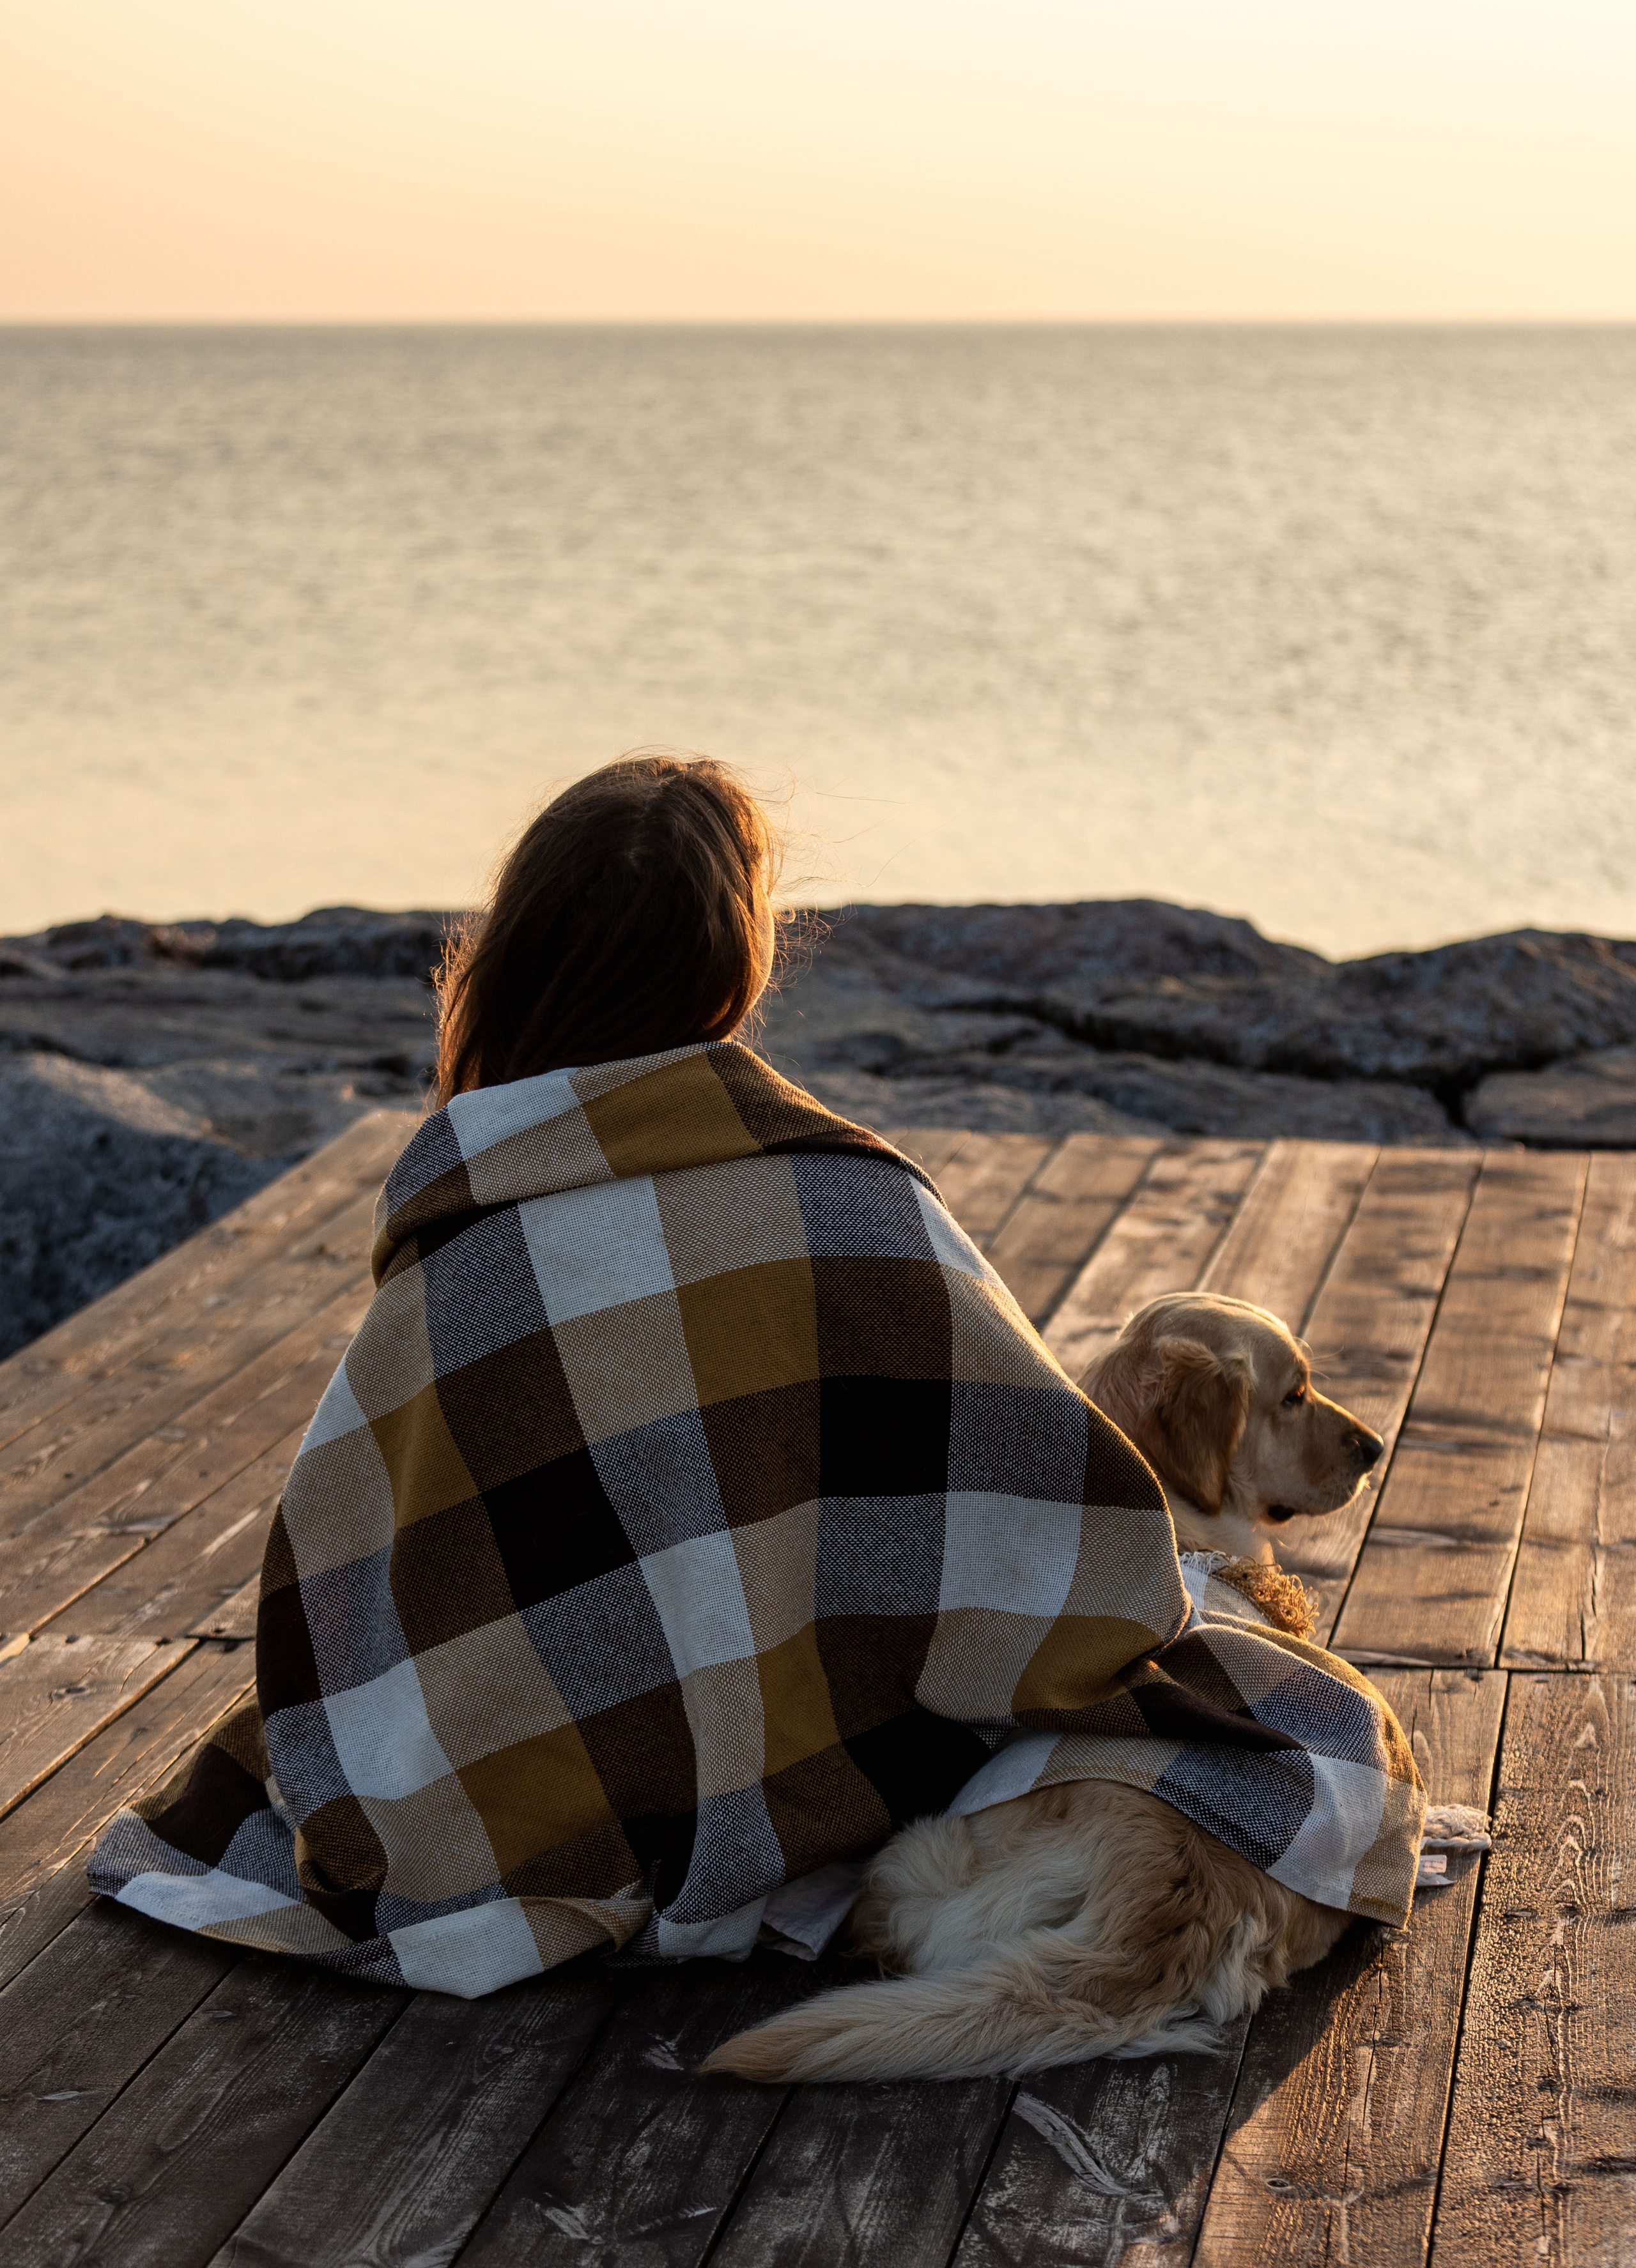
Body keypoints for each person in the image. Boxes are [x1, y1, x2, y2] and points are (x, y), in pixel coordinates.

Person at [88, 755, 1421, 1998]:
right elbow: (1060, 1547)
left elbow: (343, 1598)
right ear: (738, 961)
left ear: (511, 959)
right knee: (1305, 1734)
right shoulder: (857, 1213)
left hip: (496, 1829)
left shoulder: (456, 1261)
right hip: (810, 1782)